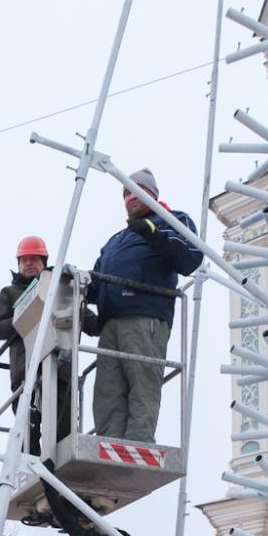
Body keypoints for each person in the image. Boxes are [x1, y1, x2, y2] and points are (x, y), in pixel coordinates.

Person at [90, 168, 200, 443]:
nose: (130, 197)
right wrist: (68, 283)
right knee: (108, 391)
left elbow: (190, 258)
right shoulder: (115, 242)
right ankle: (110, 447)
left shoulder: (171, 220)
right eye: (126, 193)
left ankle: (138, 444)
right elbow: (95, 284)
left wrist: (155, 233)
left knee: (142, 385)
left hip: (144, 318)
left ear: (152, 194)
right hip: (111, 323)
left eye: (136, 190)